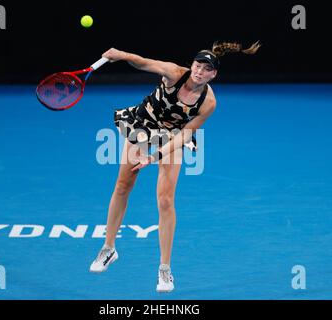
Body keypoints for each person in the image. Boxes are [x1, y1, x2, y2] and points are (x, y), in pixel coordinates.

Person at [89, 41, 261, 292]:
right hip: (143, 123)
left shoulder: (208, 102)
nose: (199, 71)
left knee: (166, 200)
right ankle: (108, 248)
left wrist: (155, 155)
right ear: (191, 65)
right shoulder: (174, 73)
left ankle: (165, 269)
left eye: (206, 69)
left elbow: (184, 135)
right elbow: (143, 62)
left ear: (214, 74)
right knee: (124, 185)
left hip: (172, 136)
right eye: (197, 65)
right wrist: (121, 55)